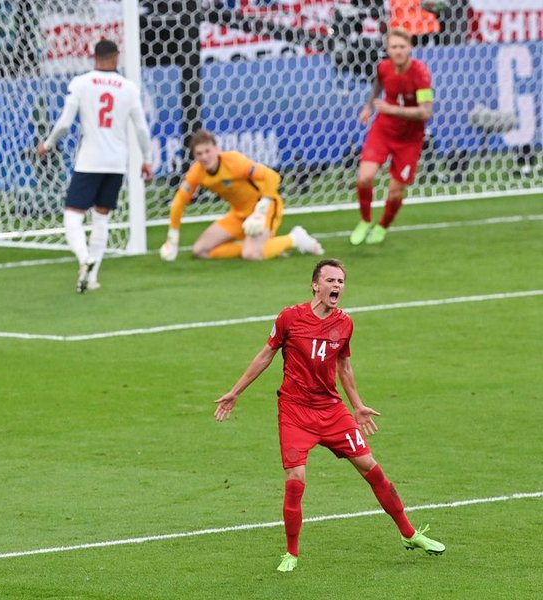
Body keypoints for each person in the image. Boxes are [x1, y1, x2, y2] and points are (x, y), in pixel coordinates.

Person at [214, 258, 445, 572]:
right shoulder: (289, 318)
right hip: (295, 411)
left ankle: (409, 533)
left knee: (373, 471)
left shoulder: (345, 324)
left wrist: (358, 405)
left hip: (332, 411)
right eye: (331, 281)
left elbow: (344, 367)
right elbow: (266, 354)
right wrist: (235, 391)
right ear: (315, 284)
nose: (337, 286)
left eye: (341, 282)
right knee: (296, 481)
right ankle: (291, 553)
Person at [37, 39, 153, 293]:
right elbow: (142, 129)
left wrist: (48, 143)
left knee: (72, 215)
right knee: (101, 220)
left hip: (89, 160)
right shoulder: (128, 87)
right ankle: (91, 278)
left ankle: (83, 257)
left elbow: (65, 123)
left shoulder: (81, 83)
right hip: (116, 163)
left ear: (95, 57)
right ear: (115, 58)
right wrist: (146, 159)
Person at [159, 130, 323, 262]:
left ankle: (295, 238)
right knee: (200, 251)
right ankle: (261, 246)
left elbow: (272, 176)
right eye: (199, 153)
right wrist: (172, 236)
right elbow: (179, 201)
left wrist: (262, 209)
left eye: (207, 151)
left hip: (266, 207)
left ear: (216, 149)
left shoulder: (234, 162)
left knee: (252, 255)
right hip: (239, 214)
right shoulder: (196, 172)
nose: (204, 157)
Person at [350, 28, 433, 246]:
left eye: (402, 47)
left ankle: (383, 225)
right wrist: (369, 107)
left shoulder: (420, 74)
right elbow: (378, 84)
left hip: (409, 138)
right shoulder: (384, 67)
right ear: (387, 49)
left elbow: (426, 111)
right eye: (394, 47)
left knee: (395, 191)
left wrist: (392, 109)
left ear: (410, 48)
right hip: (383, 130)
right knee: (364, 177)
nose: (398, 51)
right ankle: (365, 220)